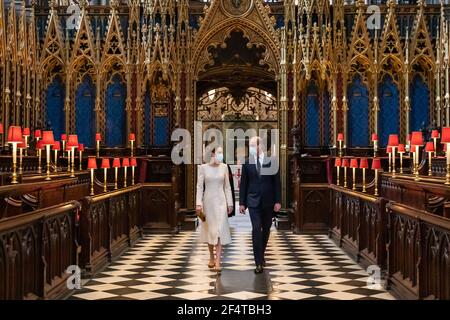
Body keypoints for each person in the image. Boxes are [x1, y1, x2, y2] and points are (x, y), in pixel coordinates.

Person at [239, 137, 281, 274]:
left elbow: (276, 183)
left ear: (260, 146)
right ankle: (258, 262)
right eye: (250, 145)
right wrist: (242, 203)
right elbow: (244, 184)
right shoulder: (247, 163)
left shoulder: (272, 161)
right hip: (253, 201)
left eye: (252, 145)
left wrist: (278, 201)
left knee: (266, 229)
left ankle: (261, 255)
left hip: (268, 201)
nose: (251, 148)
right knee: (256, 229)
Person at [196, 147, 234, 273]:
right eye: (218, 153)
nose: (220, 155)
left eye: (222, 153)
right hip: (208, 202)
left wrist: (230, 204)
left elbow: (227, 187)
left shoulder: (224, 167)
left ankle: (218, 261)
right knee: (210, 231)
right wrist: (198, 204)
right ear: (212, 154)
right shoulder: (203, 168)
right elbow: (200, 187)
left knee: (219, 231)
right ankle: (211, 257)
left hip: (221, 202)